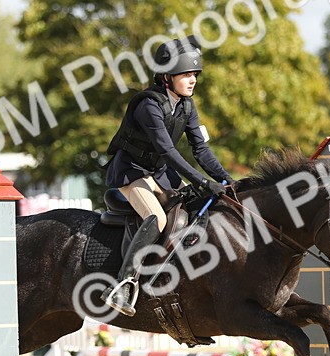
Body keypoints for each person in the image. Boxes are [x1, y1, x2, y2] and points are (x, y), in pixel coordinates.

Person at [100, 37, 233, 315]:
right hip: (130, 172)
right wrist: (202, 181)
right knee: (158, 218)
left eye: (194, 74)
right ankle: (123, 284)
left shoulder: (187, 106)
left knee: (192, 207)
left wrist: (225, 179)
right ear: (166, 77)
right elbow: (168, 150)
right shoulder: (148, 105)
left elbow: (200, 148)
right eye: (186, 74)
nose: (193, 80)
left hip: (158, 172)